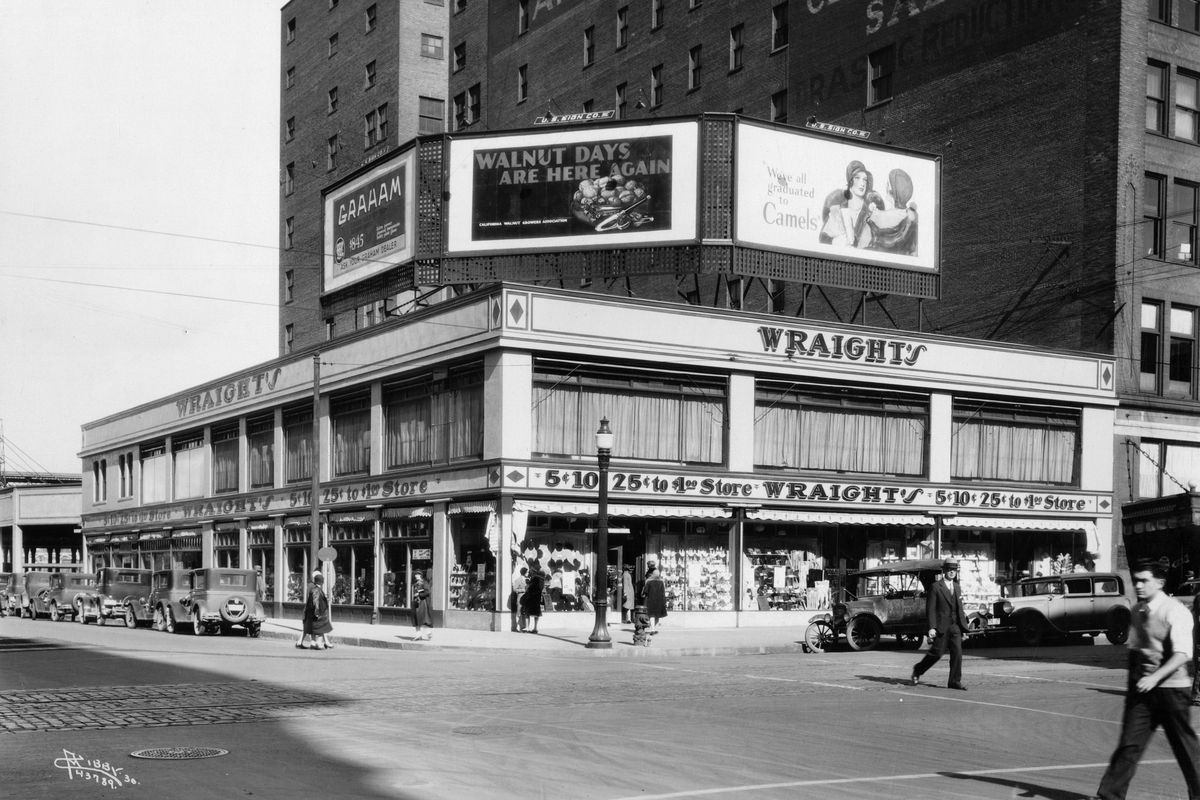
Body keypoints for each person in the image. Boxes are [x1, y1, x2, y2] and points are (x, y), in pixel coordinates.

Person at [1095, 560, 1200, 800]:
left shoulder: (1176, 611)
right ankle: (1109, 795)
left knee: (1185, 746)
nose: (1138, 586)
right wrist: (1134, 687)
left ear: (1160, 583)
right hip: (1143, 691)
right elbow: (1137, 650)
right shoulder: (1137, 611)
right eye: (1136, 581)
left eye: (1144, 580)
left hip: (1172, 690)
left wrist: (1155, 678)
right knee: (1129, 744)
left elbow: (1183, 654)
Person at [911, 560, 969, 690]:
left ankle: (954, 681)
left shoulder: (957, 587)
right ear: (944, 571)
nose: (952, 572)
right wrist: (932, 627)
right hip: (942, 626)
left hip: (955, 626)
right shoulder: (936, 587)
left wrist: (964, 628)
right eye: (949, 569)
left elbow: (960, 609)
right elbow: (930, 609)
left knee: (957, 653)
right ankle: (918, 670)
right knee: (937, 653)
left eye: (954, 569)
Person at [300, 570, 333, 650]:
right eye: (322, 581)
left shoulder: (315, 589)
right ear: (321, 582)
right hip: (318, 614)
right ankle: (319, 643)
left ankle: (313, 643)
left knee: (317, 630)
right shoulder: (316, 590)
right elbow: (315, 602)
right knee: (321, 629)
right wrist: (317, 613)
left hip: (315, 613)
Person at [642, 565, 668, 632]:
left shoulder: (649, 581)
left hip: (651, 600)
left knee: (651, 615)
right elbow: (663, 592)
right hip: (659, 600)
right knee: (657, 615)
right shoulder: (661, 582)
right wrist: (664, 601)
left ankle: (653, 629)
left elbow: (645, 591)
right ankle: (654, 628)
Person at [521, 567, 544, 634]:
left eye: (529, 572)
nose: (528, 573)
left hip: (531, 598)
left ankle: (527, 627)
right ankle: (535, 628)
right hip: (537, 598)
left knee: (527, 612)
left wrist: (527, 586)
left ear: (532, 572)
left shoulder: (534, 579)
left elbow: (530, 589)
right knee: (536, 613)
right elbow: (540, 588)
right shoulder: (541, 579)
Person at [412, 572, 433, 640]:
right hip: (416, 603)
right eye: (415, 575)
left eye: (417, 575)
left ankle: (428, 632)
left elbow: (427, 592)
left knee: (423, 618)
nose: (416, 576)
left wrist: (419, 594)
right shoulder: (416, 584)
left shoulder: (424, 583)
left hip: (422, 603)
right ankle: (418, 634)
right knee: (416, 619)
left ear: (421, 575)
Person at [511, 564, 529, 632]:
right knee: (519, 612)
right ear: (524, 572)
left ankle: (525, 626)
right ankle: (519, 626)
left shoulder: (528, 580)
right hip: (520, 597)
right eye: (527, 572)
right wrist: (523, 590)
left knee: (525, 612)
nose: (528, 573)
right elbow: (515, 589)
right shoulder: (518, 580)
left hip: (526, 598)